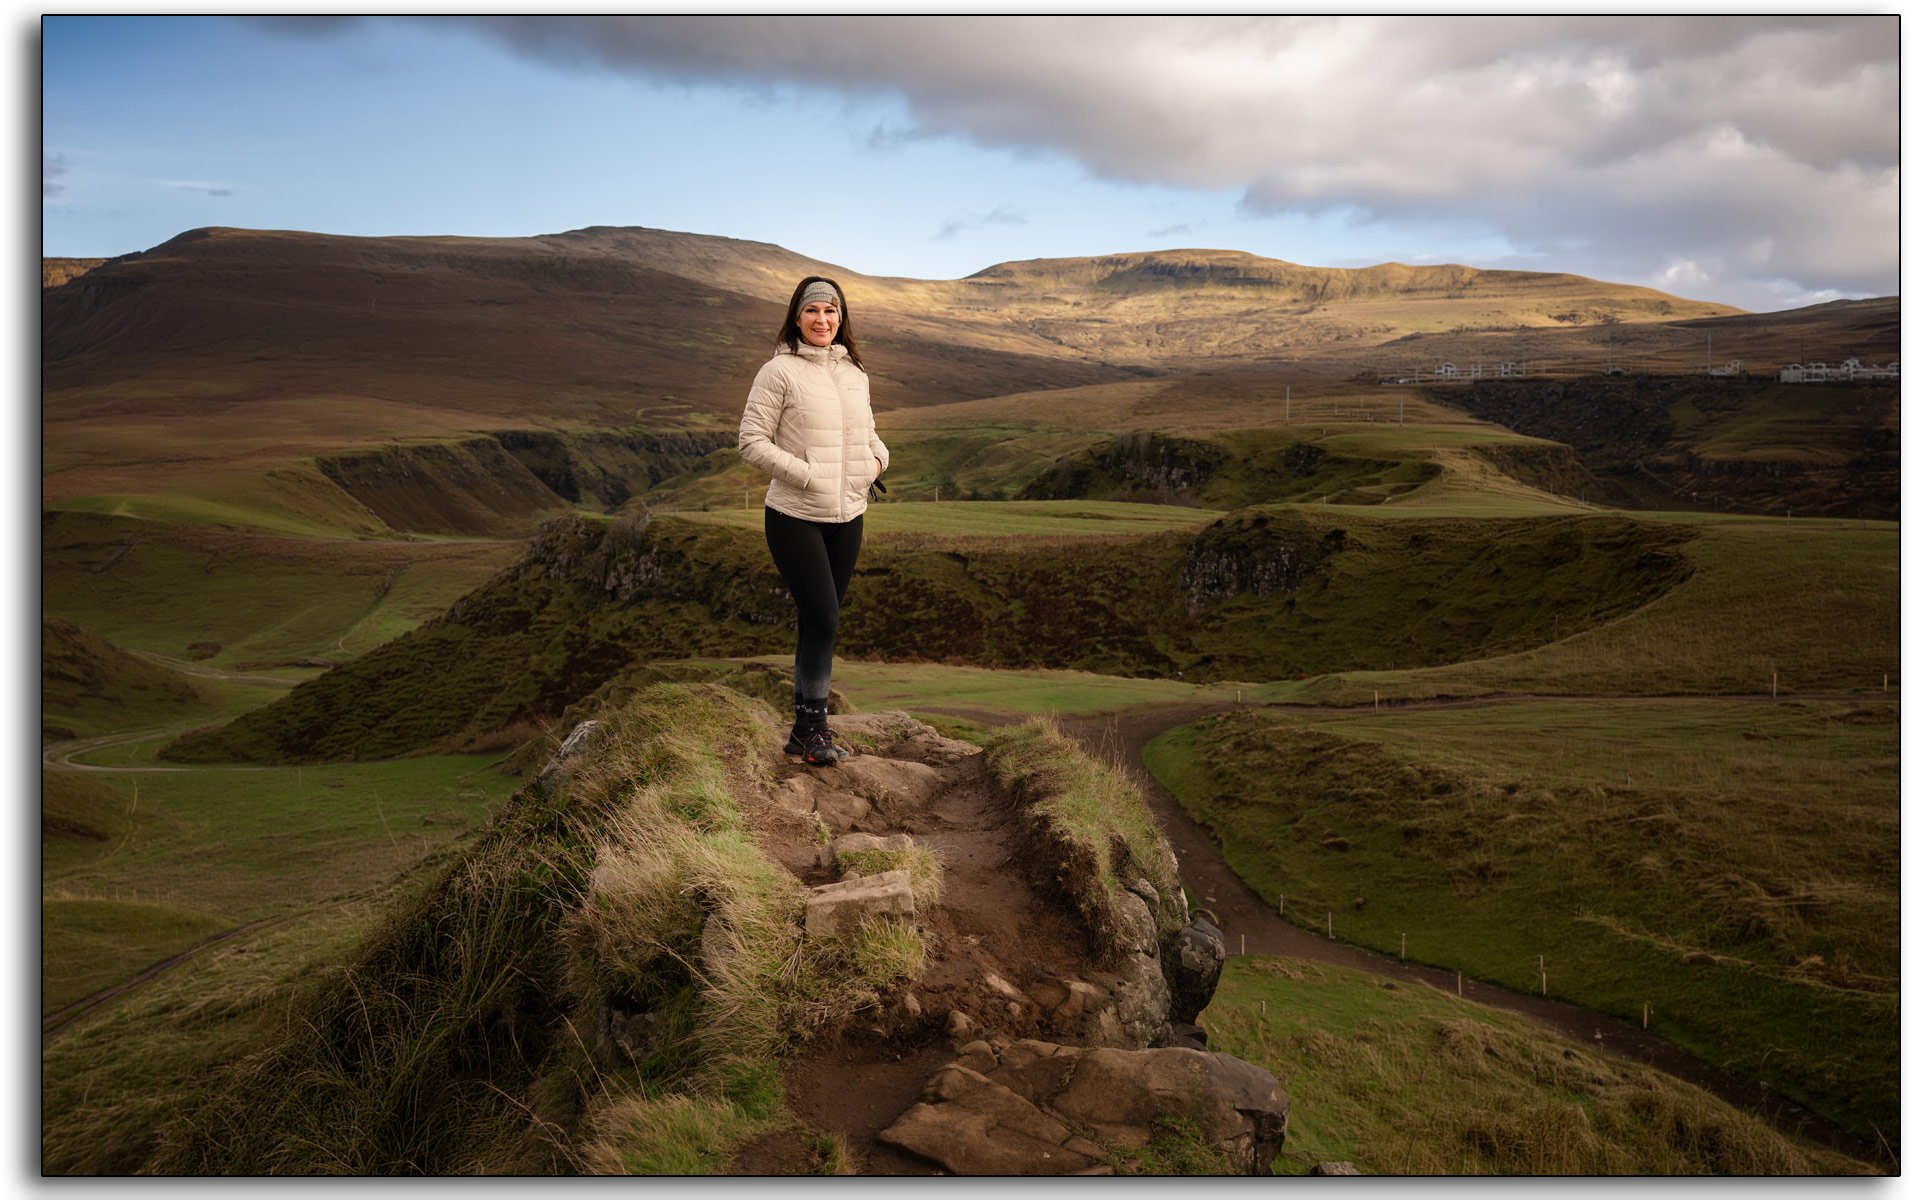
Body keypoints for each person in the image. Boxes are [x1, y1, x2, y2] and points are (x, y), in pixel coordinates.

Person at [737, 276, 888, 766]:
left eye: (831, 311)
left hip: (849, 514)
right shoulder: (778, 372)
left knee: (818, 622)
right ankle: (815, 729)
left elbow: (868, 433)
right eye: (813, 311)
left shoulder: (855, 373)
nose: (822, 320)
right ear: (797, 317)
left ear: (841, 319)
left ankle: (804, 731)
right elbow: (751, 440)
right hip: (795, 514)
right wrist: (805, 473)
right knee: (824, 616)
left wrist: (877, 462)